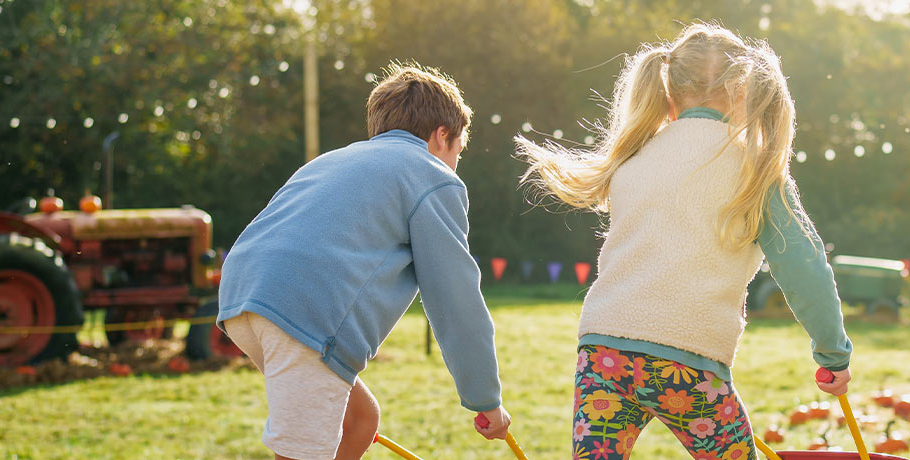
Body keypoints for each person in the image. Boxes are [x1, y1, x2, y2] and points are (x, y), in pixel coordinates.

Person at [516, 23, 853, 459]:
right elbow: (804, 267)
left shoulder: (632, 157)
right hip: (686, 361)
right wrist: (833, 353)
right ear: (742, 89)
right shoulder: (755, 169)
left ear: (668, 91)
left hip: (604, 351)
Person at [217, 62, 510, 460]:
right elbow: (454, 297)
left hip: (242, 297)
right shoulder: (431, 174)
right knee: (304, 452)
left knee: (359, 420)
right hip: (305, 309)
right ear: (442, 136)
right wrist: (485, 398)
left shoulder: (332, 160)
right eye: (458, 150)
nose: (455, 162)